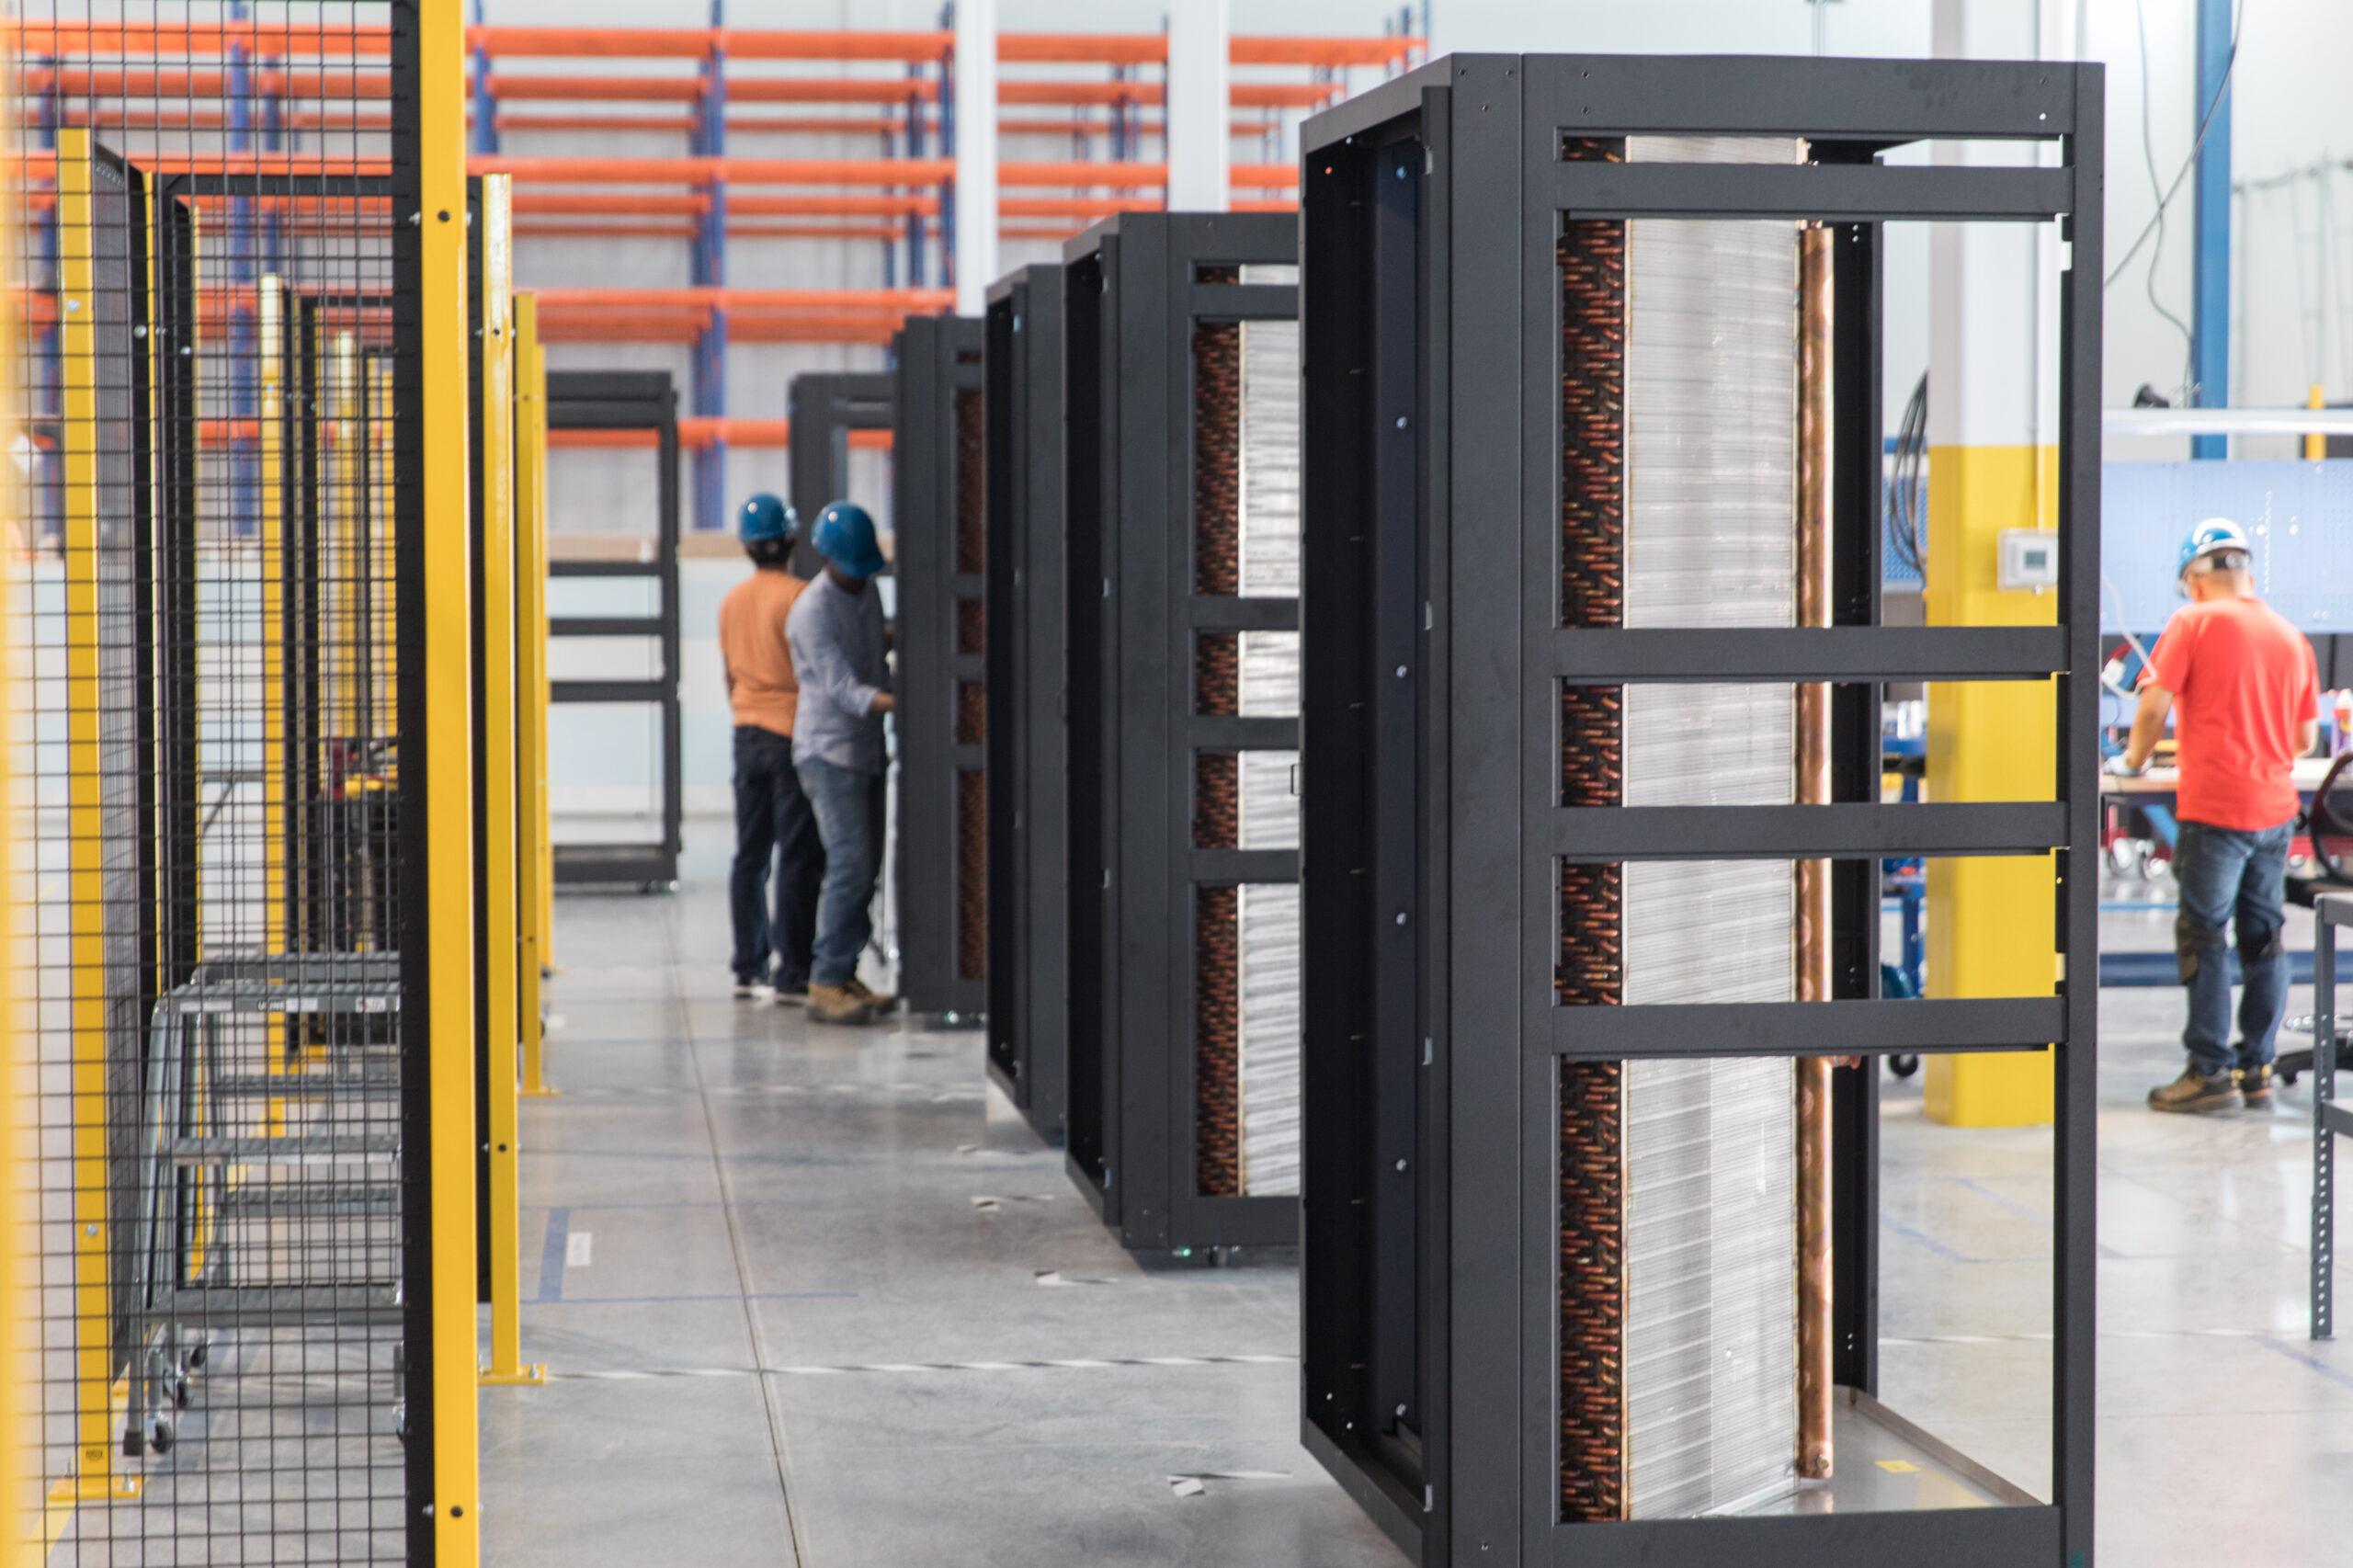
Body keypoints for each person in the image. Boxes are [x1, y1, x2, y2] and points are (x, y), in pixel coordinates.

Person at [2108, 518, 2320, 1114]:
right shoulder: (2288, 635)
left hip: (2216, 809)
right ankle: (2256, 1065)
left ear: (2196, 580)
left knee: (2204, 937)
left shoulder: (2192, 622)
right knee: (2264, 937)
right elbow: (2304, 737)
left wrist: (2132, 758)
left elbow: (2153, 705)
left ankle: (2207, 1071)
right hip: (2275, 811)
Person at [786, 501, 898, 1026]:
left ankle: (844, 970)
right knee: (850, 865)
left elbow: (875, 653)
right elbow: (845, 689)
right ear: (826, 559)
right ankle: (826, 981)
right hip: (828, 753)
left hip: (866, 748)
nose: (858, 580)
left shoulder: (866, 591)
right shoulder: (811, 613)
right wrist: (906, 702)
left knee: (866, 868)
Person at [718, 494, 824, 1003]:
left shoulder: (731, 601)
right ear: (792, 540)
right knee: (797, 854)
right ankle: (792, 971)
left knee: (749, 855)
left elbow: (727, 673)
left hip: (746, 732)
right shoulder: (801, 597)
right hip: (789, 733)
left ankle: (747, 964)